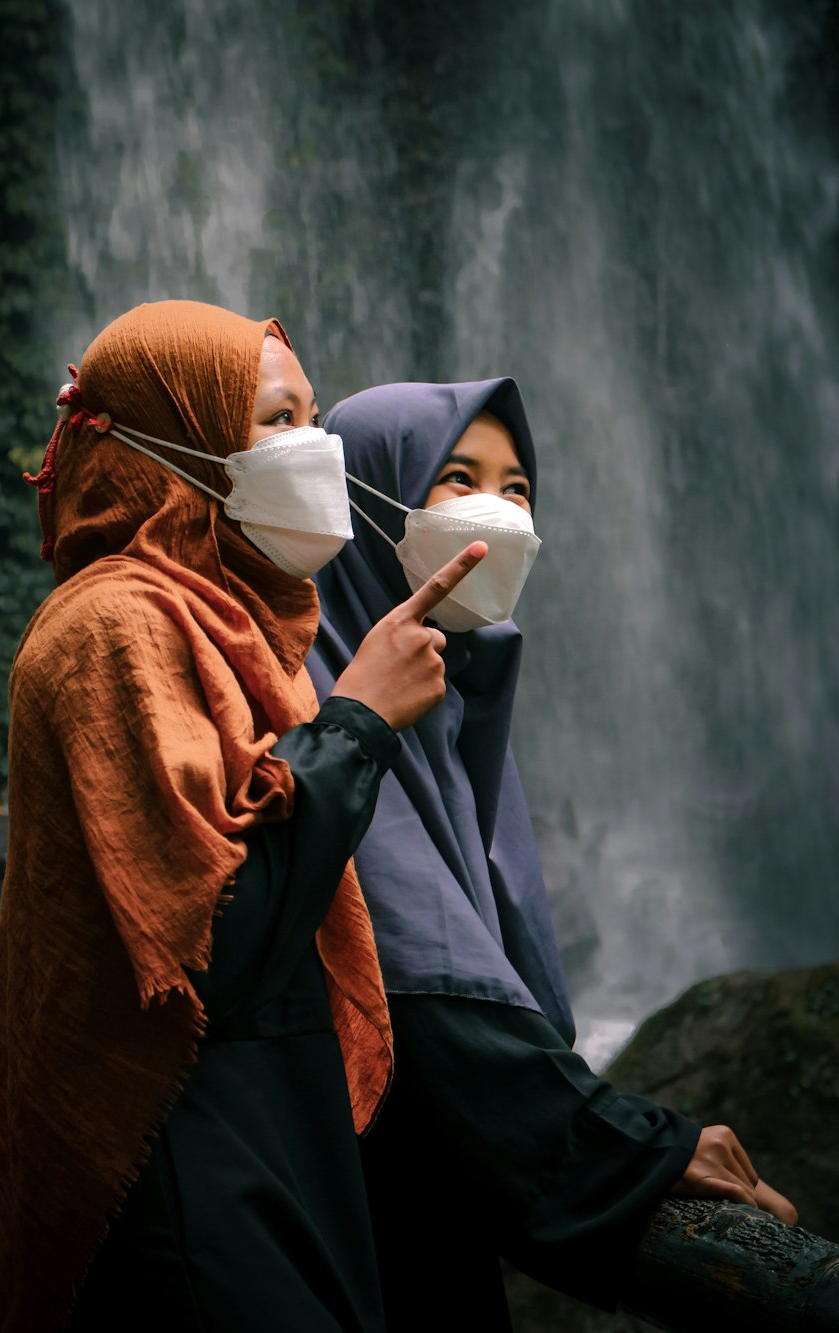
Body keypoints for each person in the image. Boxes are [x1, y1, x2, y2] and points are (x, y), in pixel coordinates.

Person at [0, 302, 488, 1333]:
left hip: (257, 1141)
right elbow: (211, 941)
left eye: (314, 414)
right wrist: (359, 720)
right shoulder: (115, 625)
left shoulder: (224, 620)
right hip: (181, 1172)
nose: (316, 448)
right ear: (179, 444)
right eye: (278, 420)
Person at [307, 378, 797, 1329]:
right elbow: (422, 998)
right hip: (336, 1230)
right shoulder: (312, 696)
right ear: (365, 494)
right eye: (457, 476)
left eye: (518, 486)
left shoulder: (449, 698)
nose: (498, 510)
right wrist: (643, 1148)